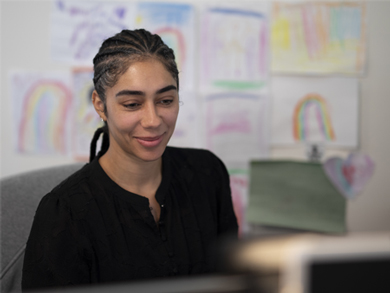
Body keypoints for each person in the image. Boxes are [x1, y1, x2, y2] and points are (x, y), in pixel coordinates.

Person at [22, 29, 238, 290]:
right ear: (100, 105)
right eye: (132, 104)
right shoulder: (63, 212)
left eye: (166, 100)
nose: (153, 120)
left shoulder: (207, 173)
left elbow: (231, 279)